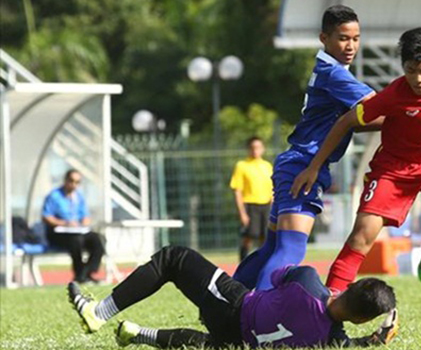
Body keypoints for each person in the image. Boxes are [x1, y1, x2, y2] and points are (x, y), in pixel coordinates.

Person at [292, 28, 421, 331]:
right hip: (395, 170)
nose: (417, 80)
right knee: (362, 236)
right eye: (409, 71)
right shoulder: (393, 95)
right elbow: (346, 121)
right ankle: (326, 311)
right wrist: (315, 166)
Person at [232, 5, 376, 291]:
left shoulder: (329, 69)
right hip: (304, 167)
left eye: (356, 38)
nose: (351, 46)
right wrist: (418, 109)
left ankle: (223, 301)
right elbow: (377, 110)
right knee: (290, 251)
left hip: (294, 163)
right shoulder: (335, 74)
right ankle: (255, 316)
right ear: (324, 38)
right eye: (343, 38)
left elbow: (358, 121)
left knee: (272, 248)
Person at [67, 246, 398, 349]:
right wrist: (375, 339)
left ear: (351, 285)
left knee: (173, 259)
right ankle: (137, 334)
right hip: (242, 341)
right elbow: (349, 343)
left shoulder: (309, 281)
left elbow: (275, 277)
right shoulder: (330, 340)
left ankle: (100, 311)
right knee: (208, 345)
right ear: (361, 319)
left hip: (235, 306)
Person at [42, 169, 105, 283]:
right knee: (76, 241)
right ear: (65, 180)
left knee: (98, 239)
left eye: (77, 182)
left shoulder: (79, 197)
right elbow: (46, 216)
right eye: (71, 181)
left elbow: (85, 216)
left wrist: (82, 224)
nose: (74, 185)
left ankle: (87, 272)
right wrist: (64, 223)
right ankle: (80, 275)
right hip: (59, 233)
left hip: (77, 231)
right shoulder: (54, 196)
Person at [230, 136, 273, 261]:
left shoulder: (267, 166)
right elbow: (237, 190)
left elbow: (272, 188)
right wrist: (242, 213)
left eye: (258, 147)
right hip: (250, 205)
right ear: (248, 149)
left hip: (266, 206)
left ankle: (262, 264)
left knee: (265, 237)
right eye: (253, 148)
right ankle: (242, 263)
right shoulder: (242, 166)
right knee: (249, 236)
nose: (256, 150)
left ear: (263, 149)